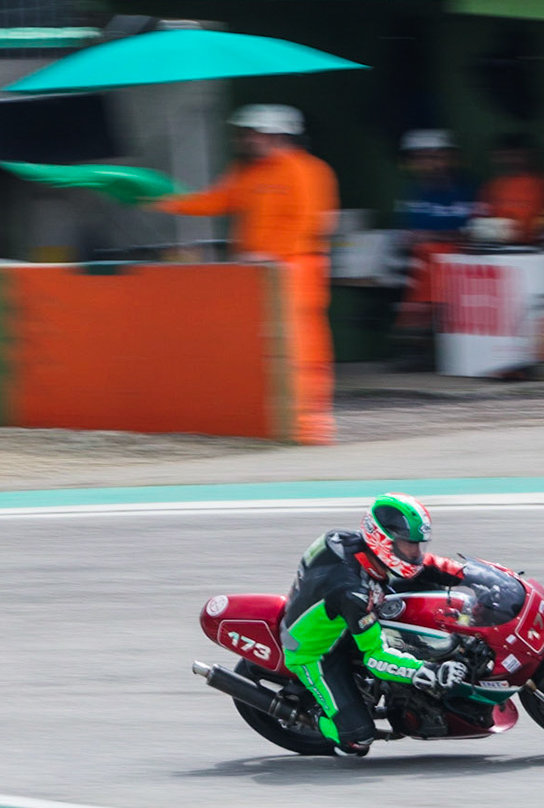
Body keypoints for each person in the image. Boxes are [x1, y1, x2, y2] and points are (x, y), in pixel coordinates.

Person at [152, 104, 338, 446]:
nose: (246, 139)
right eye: (245, 133)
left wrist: (275, 257)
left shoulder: (307, 170)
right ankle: (272, 420)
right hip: (258, 271)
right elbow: (216, 201)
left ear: (278, 134)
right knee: (263, 347)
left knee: (302, 347)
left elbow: (310, 221)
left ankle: (309, 424)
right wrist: (165, 201)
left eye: (253, 133)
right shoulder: (247, 172)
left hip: (296, 268)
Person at [280, 493, 470, 755]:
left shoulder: (346, 540)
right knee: (357, 741)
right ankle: (313, 717)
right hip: (316, 652)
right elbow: (375, 658)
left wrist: (469, 574)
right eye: (409, 545)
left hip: (342, 615)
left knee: (430, 591)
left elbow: (425, 566)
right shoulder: (354, 593)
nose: (416, 553)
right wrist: (427, 671)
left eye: (418, 545)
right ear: (382, 540)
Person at [392, 128, 480, 345]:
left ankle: (419, 333)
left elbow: (476, 234)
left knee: (432, 253)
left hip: (461, 268)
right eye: (420, 158)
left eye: (435, 157)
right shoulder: (413, 192)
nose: (428, 164)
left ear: (450, 158)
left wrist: (433, 236)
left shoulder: (468, 190)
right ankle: (415, 335)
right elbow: (407, 234)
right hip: (418, 270)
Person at [478, 133, 544, 245]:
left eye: (515, 155)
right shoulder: (492, 186)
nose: (510, 160)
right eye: (504, 156)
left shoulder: (543, 184)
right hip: (498, 247)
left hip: (535, 247)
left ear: (528, 156)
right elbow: (483, 222)